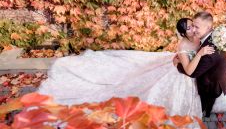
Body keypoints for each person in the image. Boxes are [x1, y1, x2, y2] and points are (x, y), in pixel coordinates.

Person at [38, 18, 213, 121]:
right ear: (183, 33)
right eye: (189, 28)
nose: (193, 29)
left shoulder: (198, 37)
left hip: (181, 66)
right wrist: (198, 55)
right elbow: (189, 70)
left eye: (193, 25)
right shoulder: (183, 44)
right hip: (182, 73)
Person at [175, 12, 226, 117]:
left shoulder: (209, 52)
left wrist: (179, 65)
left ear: (208, 27)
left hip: (212, 84)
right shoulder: (213, 34)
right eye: (192, 25)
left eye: (196, 27)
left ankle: (205, 112)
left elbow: (193, 73)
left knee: (206, 101)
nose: (193, 29)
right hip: (218, 72)